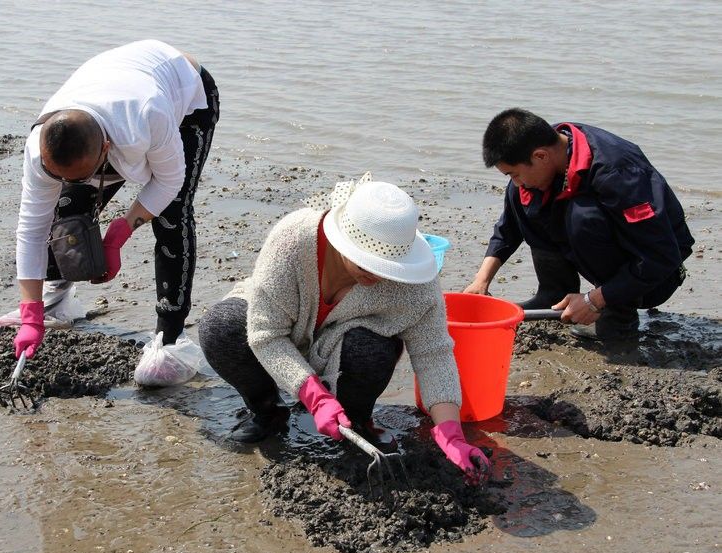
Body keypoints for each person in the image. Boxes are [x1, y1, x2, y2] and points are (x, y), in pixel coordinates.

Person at [198, 175, 490, 485]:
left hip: (345, 347)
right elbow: (266, 334)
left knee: (372, 350)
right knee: (222, 328)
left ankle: (357, 421)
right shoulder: (293, 239)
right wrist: (315, 398)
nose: (378, 276)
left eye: (387, 269)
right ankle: (267, 411)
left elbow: (433, 353)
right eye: (368, 265)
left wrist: (451, 435)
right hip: (283, 331)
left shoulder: (416, 283)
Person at [0, 40, 220, 386]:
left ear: (107, 151)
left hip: (186, 99)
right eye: (58, 175)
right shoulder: (40, 145)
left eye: (84, 175)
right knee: (67, 207)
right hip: (113, 97)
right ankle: (57, 301)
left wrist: (121, 231)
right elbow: (31, 229)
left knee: (172, 214)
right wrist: (30, 314)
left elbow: (170, 182)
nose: (68, 181)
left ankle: (170, 339)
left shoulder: (149, 114)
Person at [464, 108, 694, 341]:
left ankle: (618, 316)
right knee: (519, 194)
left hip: (658, 274)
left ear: (541, 156)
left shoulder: (619, 173)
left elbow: (662, 257)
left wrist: (593, 300)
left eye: (513, 173)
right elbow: (509, 228)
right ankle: (553, 294)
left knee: (583, 218)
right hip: (637, 260)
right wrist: (481, 281)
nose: (515, 181)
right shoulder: (552, 149)